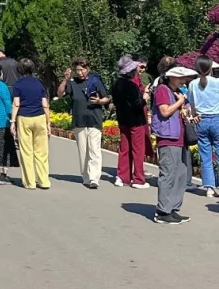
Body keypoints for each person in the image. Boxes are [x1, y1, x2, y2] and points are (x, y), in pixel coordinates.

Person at [57, 58, 110, 189]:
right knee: (83, 150)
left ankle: (94, 178)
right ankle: (86, 177)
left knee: (94, 149)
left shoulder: (95, 80)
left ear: (88, 69)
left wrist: (99, 101)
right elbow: (60, 93)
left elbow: (106, 97)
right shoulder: (72, 82)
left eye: (82, 69)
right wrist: (65, 79)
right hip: (79, 120)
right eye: (77, 70)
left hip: (94, 119)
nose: (80, 73)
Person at [152, 58, 193, 224]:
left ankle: (173, 208)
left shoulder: (178, 92)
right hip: (168, 138)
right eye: (180, 77)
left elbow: (182, 111)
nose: (184, 80)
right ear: (171, 76)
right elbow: (165, 111)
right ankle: (162, 211)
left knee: (180, 174)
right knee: (168, 174)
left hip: (180, 138)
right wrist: (180, 102)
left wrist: (189, 113)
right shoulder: (162, 89)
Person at [10, 59, 51, 189]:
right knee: (41, 151)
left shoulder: (18, 85)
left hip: (24, 117)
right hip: (40, 117)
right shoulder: (39, 84)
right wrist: (48, 122)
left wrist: (12, 121)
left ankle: (30, 182)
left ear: (19, 70)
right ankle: (44, 181)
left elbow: (16, 104)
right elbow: (45, 104)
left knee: (26, 151)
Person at [111, 55, 148, 189]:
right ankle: (138, 179)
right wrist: (145, 98)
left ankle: (122, 176)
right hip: (136, 121)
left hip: (123, 119)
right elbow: (138, 104)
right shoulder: (132, 85)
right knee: (138, 150)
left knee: (124, 148)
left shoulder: (116, 84)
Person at [186, 55, 219, 198]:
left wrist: (194, 117)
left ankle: (209, 187)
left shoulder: (193, 84)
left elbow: (192, 106)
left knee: (205, 155)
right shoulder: (217, 82)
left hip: (201, 120)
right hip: (216, 118)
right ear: (210, 67)